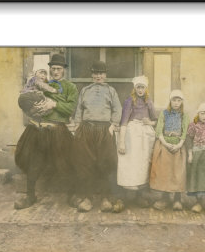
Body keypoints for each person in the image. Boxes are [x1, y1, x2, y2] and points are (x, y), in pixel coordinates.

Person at [14, 54, 79, 209]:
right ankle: (30, 196)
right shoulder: (42, 83)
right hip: (38, 129)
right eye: (53, 68)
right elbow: (27, 100)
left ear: (64, 70)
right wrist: (34, 108)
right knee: (33, 162)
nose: (55, 71)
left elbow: (70, 109)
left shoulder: (71, 87)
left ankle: (72, 196)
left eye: (59, 69)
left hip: (57, 130)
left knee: (65, 163)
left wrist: (54, 105)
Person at [72, 61, 123, 213]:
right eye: (95, 73)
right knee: (85, 162)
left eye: (101, 73)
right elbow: (79, 109)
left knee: (105, 163)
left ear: (105, 75)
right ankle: (87, 198)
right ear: (92, 75)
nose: (98, 76)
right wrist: (77, 125)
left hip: (104, 130)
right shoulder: (85, 90)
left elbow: (117, 110)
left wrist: (113, 125)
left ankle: (105, 198)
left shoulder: (111, 91)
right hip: (86, 129)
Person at [117, 75, 157, 206]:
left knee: (143, 163)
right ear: (135, 88)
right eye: (138, 87)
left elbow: (155, 120)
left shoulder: (148, 101)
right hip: (132, 133)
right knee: (131, 162)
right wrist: (121, 141)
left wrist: (149, 122)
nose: (140, 90)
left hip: (145, 134)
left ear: (146, 89)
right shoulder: (129, 101)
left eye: (143, 87)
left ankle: (140, 195)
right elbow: (124, 122)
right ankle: (127, 195)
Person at [149, 89, 190, 210]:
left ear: (181, 102)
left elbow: (185, 132)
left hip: (178, 146)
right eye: (174, 100)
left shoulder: (184, 115)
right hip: (165, 144)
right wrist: (165, 144)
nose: (176, 103)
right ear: (170, 101)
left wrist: (179, 145)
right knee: (165, 172)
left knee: (177, 173)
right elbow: (159, 130)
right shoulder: (164, 113)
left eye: (179, 100)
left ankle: (177, 199)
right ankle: (165, 198)